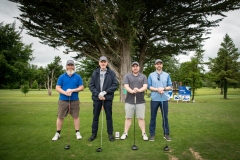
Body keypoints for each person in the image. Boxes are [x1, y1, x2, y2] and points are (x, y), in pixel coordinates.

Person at [52, 60, 84, 141]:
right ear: (66, 66)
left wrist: (72, 90)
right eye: (68, 65)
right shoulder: (61, 77)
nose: (70, 67)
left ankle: (77, 132)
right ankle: (58, 133)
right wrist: (65, 92)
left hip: (74, 100)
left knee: (76, 116)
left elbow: (81, 88)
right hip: (63, 100)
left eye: (71, 65)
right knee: (60, 117)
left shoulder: (78, 77)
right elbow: (57, 88)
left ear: (74, 66)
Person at [88, 56, 118, 142]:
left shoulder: (111, 73)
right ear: (99, 63)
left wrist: (105, 92)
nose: (103, 63)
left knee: (109, 116)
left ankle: (110, 134)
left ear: (107, 63)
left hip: (107, 98)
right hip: (97, 98)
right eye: (102, 62)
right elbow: (91, 85)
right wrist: (98, 94)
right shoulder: (95, 73)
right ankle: (94, 134)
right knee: (96, 117)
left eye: (105, 62)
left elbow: (115, 85)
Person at [120, 62, 148, 141]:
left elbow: (145, 86)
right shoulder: (127, 76)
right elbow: (126, 86)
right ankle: (125, 133)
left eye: (136, 66)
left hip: (140, 101)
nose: (135, 68)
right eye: (133, 66)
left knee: (141, 118)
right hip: (129, 101)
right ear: (132, 68)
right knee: (128, 118)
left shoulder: (143, 76)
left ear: (139, 67)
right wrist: (131, 91)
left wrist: (139, 90)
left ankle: (143, 133)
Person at [148, 59, 172, 141]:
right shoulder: (151, 75)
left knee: (165, 117)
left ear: (162, 65)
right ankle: (152, 135)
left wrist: (163, 88)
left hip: (164, 99)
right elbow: (149, 86)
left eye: (160, 64)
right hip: (154, 99)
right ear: (155, 65)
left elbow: (170, 86)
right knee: (153, 118)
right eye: (157, 64)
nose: (159, 65)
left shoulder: (167, 75)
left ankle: (166, 134)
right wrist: (157, 89)